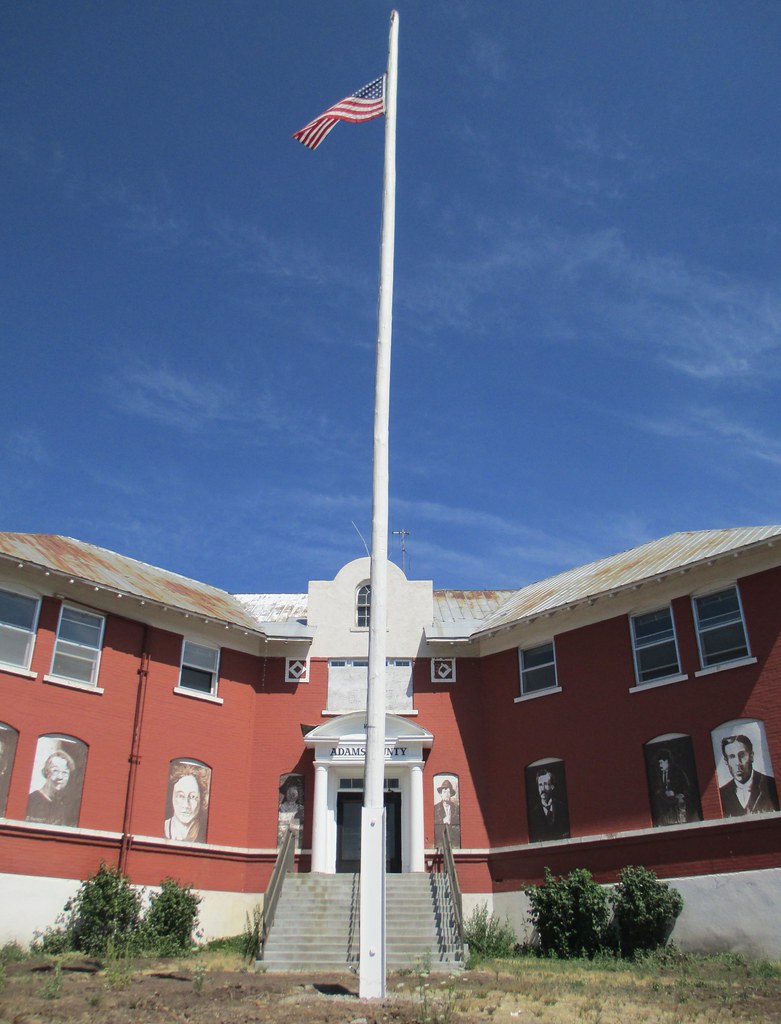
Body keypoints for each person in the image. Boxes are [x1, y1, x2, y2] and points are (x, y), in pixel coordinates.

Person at [719, 734, 779, 817]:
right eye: (732, 757)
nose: (738, 763)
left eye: (742, 755)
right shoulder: (721, 794)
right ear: (726, 761)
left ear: (751, 756)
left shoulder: (771, 785)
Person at [26, 749, 78, 826]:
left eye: (65, 772)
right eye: (55, 771)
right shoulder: (31, 801)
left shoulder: (62, 805)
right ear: (47, 772)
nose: (60, 777)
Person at [649, 748, 695, 826]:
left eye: (661, 763)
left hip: (677, 804)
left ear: (666, 761)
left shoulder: (677, 771)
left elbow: (686, 787)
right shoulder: (659, 774)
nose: (659, 765)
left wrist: (675, 793)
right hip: (666, 805)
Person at [164, 766, 208, 841]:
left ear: (201, 799)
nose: (186, 805)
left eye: (193, 797)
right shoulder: (162, 828)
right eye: (181, 796)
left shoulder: (205, 832)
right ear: (172, 796)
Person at [527, 766, 569, 841]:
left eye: (545, 784)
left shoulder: (563, 808)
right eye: (540, 785)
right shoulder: (532, 814)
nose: (542, 789)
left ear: (552, 787)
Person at [433, 778, 461, 847]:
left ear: (451, 794)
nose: (446, 794)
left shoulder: (456, 808)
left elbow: (458, 829)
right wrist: (443, 821)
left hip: (453, 843)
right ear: (441, 794)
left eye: (448, 792)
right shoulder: (436, 808)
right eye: (444, 792)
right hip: (441, 842)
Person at [277, 779, 304, 846]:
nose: (292, 793)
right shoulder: (281, 807)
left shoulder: (300, 808)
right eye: (289, 791)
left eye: (295, 790)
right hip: (283, 837)